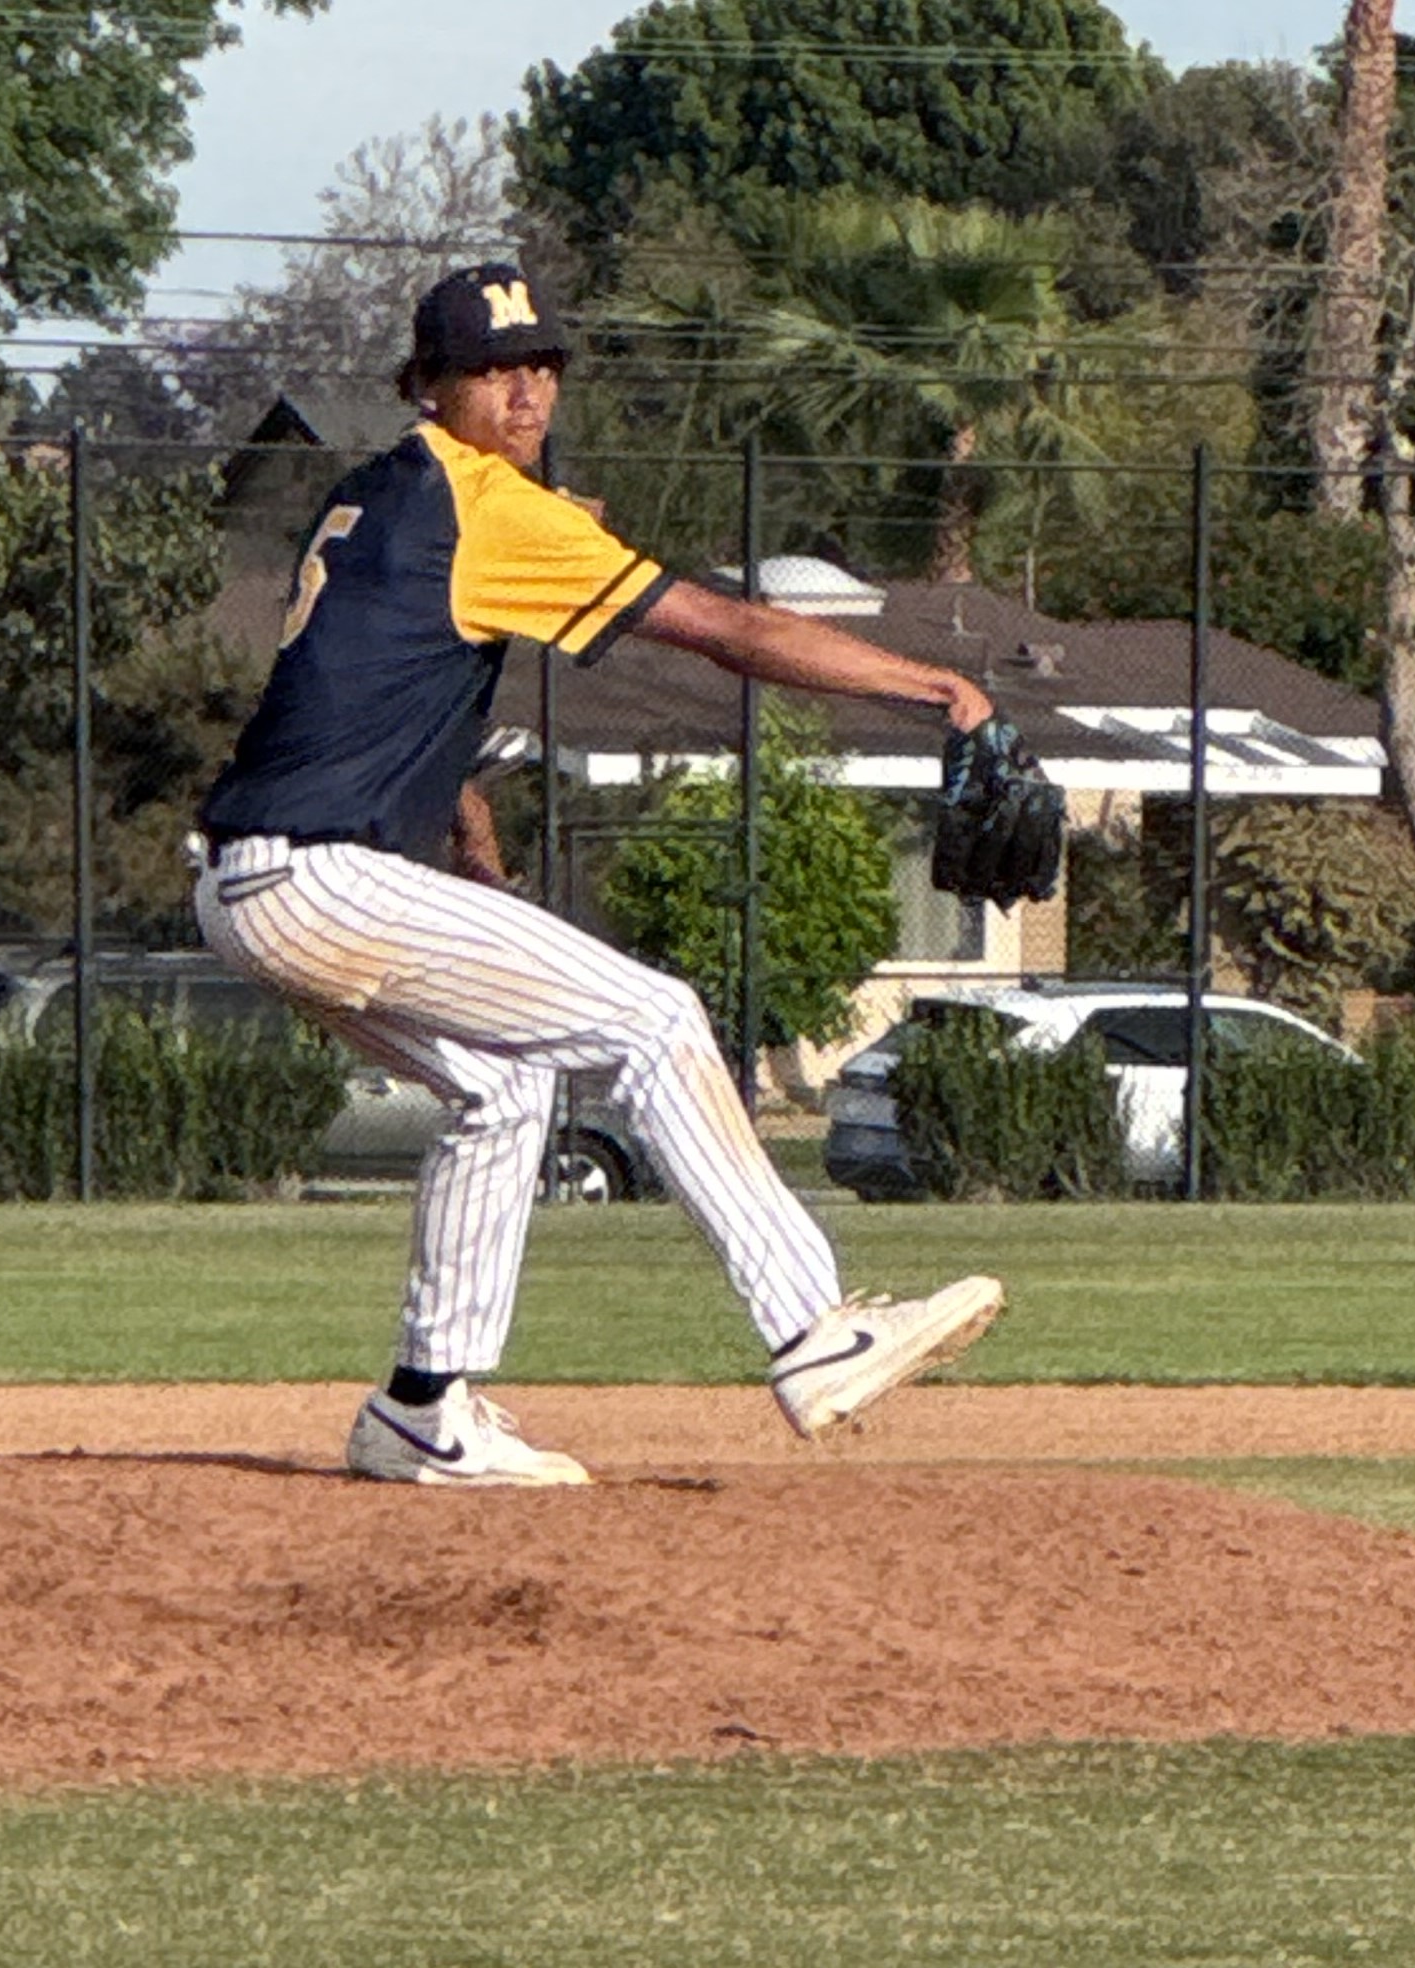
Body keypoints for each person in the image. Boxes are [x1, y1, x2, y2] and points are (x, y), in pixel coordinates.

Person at [194, 261, 1006, 1487]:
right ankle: (811, 1329)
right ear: (429, 385)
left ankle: (422, 1407)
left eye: (540, 365)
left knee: (502, 1090)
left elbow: (353, 691)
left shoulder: (380, 495)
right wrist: (929, 684)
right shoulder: (494, 509)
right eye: (489, 368)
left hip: (256, 885)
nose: (523, 391)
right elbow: (729, 629)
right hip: (322, 883)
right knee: (655, 1017)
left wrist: (459, 807)